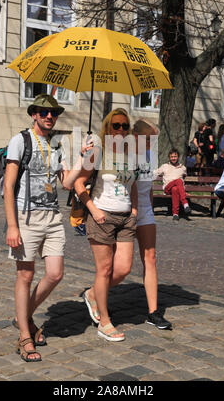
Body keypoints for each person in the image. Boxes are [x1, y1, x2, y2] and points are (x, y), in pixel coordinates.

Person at [4, 94, 92, 362]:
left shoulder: (56, 145)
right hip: (26, 217)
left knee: (55, 273)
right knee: (26, 276)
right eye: (43, 112)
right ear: (34, 114)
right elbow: (8, 185)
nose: (49, 117)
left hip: (52, 218)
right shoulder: (21, 140)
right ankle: (24, 336)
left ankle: (23, 317)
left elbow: (66, 183)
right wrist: (12, 225)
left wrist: (83, 159)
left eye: (53, 113)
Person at [74, 108, 138, 342]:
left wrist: (134, 209)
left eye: (124, 126)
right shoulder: (98, 152)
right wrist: (94, 210)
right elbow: (79, 184)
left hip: (125, 218)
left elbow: (132, 185)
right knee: (105, 270)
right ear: (107, 128)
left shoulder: (131, 154)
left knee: (123, 269)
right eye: (115, 126)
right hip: (102, 216)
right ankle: (104, 322)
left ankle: (92, 294)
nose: (120, 130)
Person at [132, 119, 172, 329]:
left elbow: (148, 185)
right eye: (148, 138)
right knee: (116, 264)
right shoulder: (125, 153)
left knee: (150, 257)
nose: (151, 143)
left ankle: (153, 312)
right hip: (125, 208)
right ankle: (97, 296)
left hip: (146, 209)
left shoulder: (149, 155)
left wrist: (151, 208)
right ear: (135, 135)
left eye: (153, 139)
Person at [154, 148, 191, 221]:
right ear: (169, 157)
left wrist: (182, 190)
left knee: (175, 189)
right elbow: (155, 172)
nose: (173, 158)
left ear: (178, 157)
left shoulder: (182, 168)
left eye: (175, 156)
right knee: (178, 181)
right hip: (167, 188)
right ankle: (185, 203)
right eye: (172, 157)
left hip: (176, 189)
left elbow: (184, 177)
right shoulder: (165, 166)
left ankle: (175, 214)